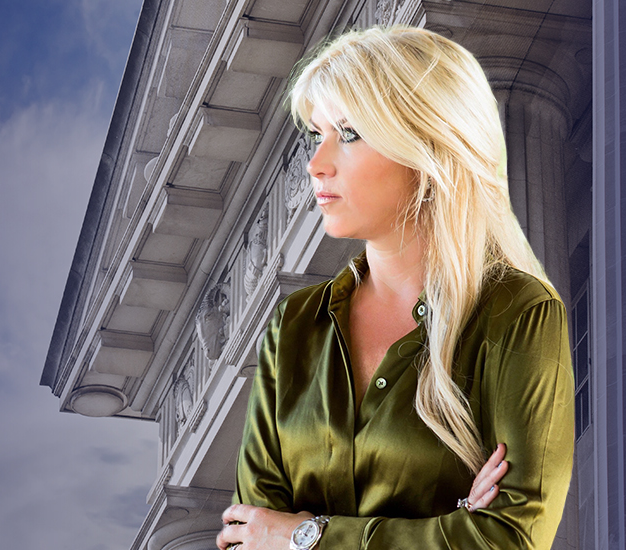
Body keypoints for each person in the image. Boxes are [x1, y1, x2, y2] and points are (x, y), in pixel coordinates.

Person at [215, 26, 574, 550]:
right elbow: (248, 536)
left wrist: (305, 536)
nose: (317, 165)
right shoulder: (296, 325)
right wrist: (445, 532)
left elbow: (507, 540)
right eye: (318, 135)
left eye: (351, 133)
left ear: (429, 142)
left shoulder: (518, 313)